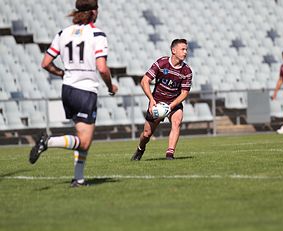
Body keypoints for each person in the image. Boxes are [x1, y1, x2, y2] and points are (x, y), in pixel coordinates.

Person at [29, 0, 117, 187]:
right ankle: (48, 141)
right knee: (85, 141)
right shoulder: (97, 34)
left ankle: (78, 179)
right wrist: (110, 86)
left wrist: (62, 73)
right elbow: (102, 68)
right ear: (94, 11)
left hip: (67, 89)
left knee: (81, 138)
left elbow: (45, 63)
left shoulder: (63, 33)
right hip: (85, 90)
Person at [131, 39, 193, 161]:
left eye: (186, 49)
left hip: (174, 103)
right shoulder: (162, 63)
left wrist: (172, 105)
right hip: (157, 102)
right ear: (173, 50)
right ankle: (140, 148)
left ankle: (170, 154)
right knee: (147, 134)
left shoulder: (187, 71)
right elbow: (144, 81)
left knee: (177, 122)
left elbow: (184, 93)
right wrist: (151, 100)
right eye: (182, 49)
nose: (185, 52)